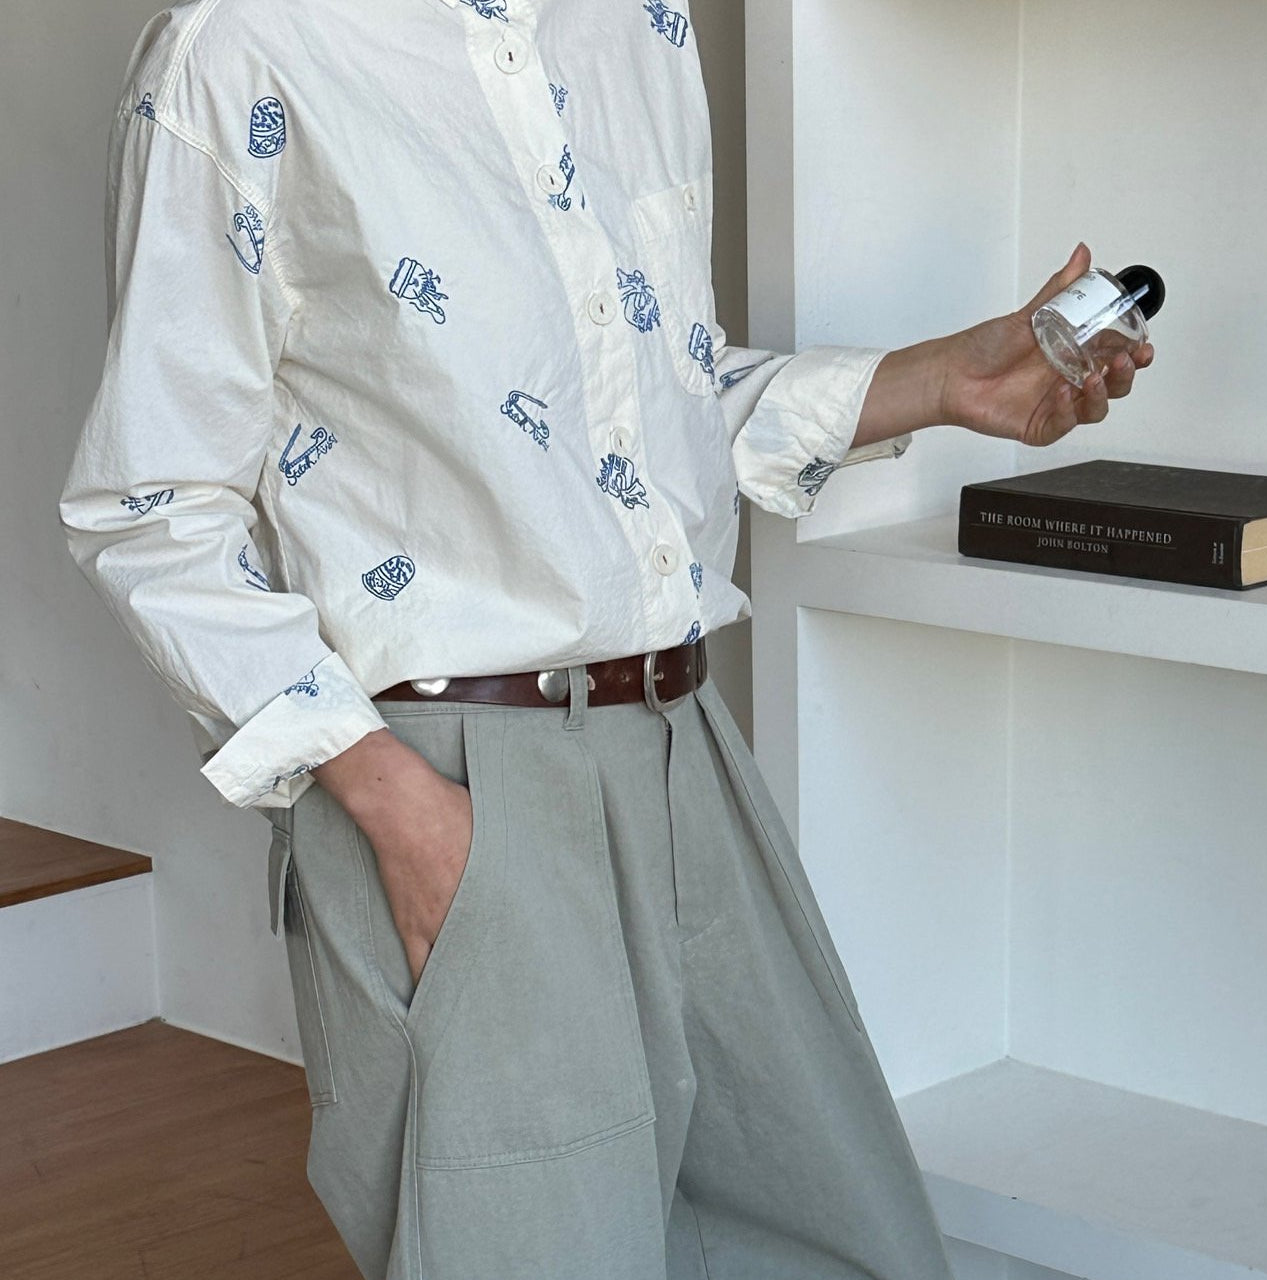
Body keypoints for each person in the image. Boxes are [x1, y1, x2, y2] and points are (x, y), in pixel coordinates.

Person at [58, 2, 1153, 1278]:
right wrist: (400, 809)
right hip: (446, 768)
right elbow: (150, 505)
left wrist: (941, 379)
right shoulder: (246, 43)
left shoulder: (637, 23)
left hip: (682, 743)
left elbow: (642, 418)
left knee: (845, 1236)